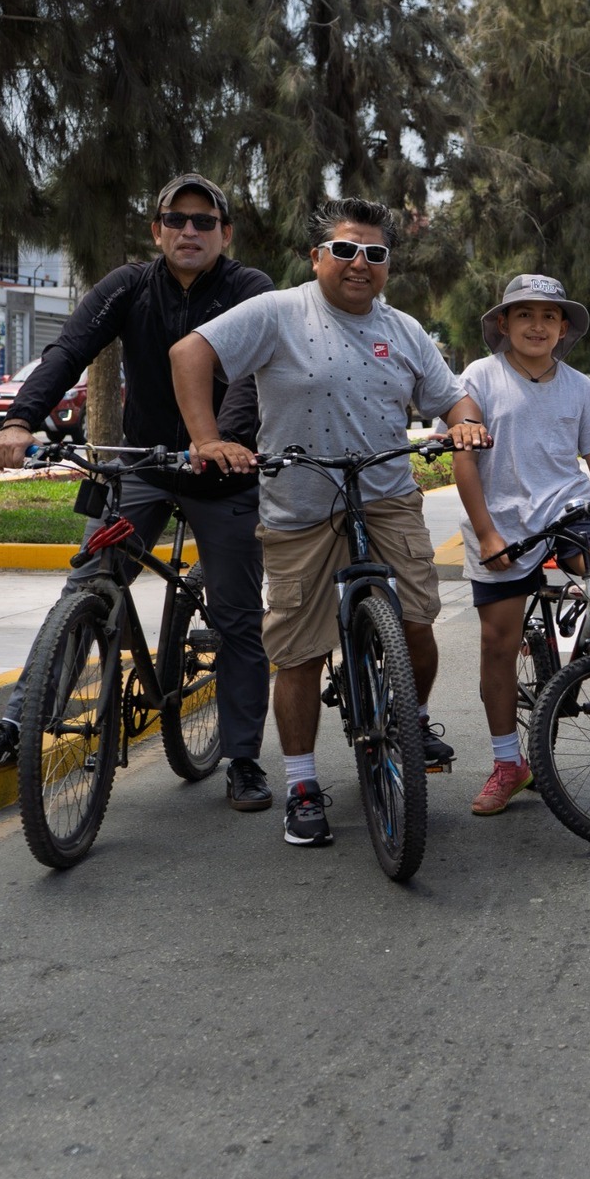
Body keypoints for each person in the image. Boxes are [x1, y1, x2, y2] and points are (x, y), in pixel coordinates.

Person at [170, 198, 489, 848]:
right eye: (344, 249)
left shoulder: (402, 329)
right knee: (300, 651)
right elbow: (189, 352)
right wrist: (206, 438)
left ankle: (413, 716)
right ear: (317, 257)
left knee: (419, 623)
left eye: (374, 253)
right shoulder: (280, 312)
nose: (359, 263)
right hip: (299, 505)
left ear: (387, 266)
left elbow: (451, 392)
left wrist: (462, 418)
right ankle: (303, 783)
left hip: (386, 496)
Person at [0, 173, 279, 813]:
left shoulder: (250, 291)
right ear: (156, 230)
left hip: (224, 474)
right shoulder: (129, 285)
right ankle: (20, 723)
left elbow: (251, 378)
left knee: (240, 618)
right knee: (87, 589)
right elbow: (68, 349)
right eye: (176, 219)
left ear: (226, 233)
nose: (190, 230)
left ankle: (243, 758)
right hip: (145, 465)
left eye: (204, 221)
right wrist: (21, 420)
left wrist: (222, 440)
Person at [453, 274, 590, 816]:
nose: (536, 325)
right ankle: (508, 764)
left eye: (549, 316)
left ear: (564, 327)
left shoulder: (581, 387)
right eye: (524, 315)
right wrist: (485, 534)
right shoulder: (478, 378)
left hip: (568, 514)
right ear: (503, 324)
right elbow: (464, 462)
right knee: (497, 644)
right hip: (501, 523)